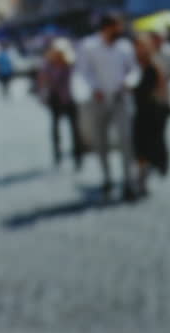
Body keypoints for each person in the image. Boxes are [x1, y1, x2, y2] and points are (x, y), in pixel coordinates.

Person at [75, 14, 139, 199]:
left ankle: (129, 180)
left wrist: (128, 82)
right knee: (100, 141)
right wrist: (95, 88)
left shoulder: (124, 47)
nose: (119, 30)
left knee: (126, 140)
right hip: (98, 99)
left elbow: (133, 69)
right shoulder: (89, 46)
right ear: (107, 28)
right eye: (116, 27)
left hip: (120, 99)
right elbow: (83, 72)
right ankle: (107, 178)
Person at [132, 34, 169, 196]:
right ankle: (141, 178)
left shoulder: (153, 67)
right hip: (139, 112)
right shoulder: (134, 66)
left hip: (151, 113)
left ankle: (154, 169)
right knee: (140, 148)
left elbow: (161, 89)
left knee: (151, 145)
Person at [38, 39, 83, 170]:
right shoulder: (48, 65)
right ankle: (57, 153)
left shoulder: (70, 63)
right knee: (56, 128)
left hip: (70, 98)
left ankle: (77, 155)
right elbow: (43, 80)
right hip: (56, 99)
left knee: (74, 129)